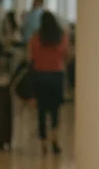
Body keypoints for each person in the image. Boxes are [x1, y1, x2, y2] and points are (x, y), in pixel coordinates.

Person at [29, 10, 70, 154]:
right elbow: (66, 54)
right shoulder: (62, 37)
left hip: (40, 76)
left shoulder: (36, 37)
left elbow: (32, 58)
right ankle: (55, 140)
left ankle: (43, 144)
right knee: (55, 110)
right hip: (56, 76)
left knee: (41, 111)